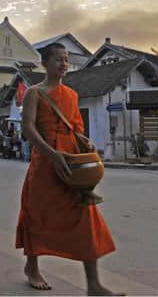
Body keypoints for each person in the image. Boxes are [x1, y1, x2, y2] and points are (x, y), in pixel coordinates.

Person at [16, 42, 122, 295]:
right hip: (46, 161)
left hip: (71, 164)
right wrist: (52, 154)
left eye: (66, 60)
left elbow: (75, 127)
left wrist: (85, 141)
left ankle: (93, 284)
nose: (64, 64)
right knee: (36, 215)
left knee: (86, 218)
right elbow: (28, 129)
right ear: (45, 63)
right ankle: (32, 267)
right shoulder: (34, 92)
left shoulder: (72, 95)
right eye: (58, 59)